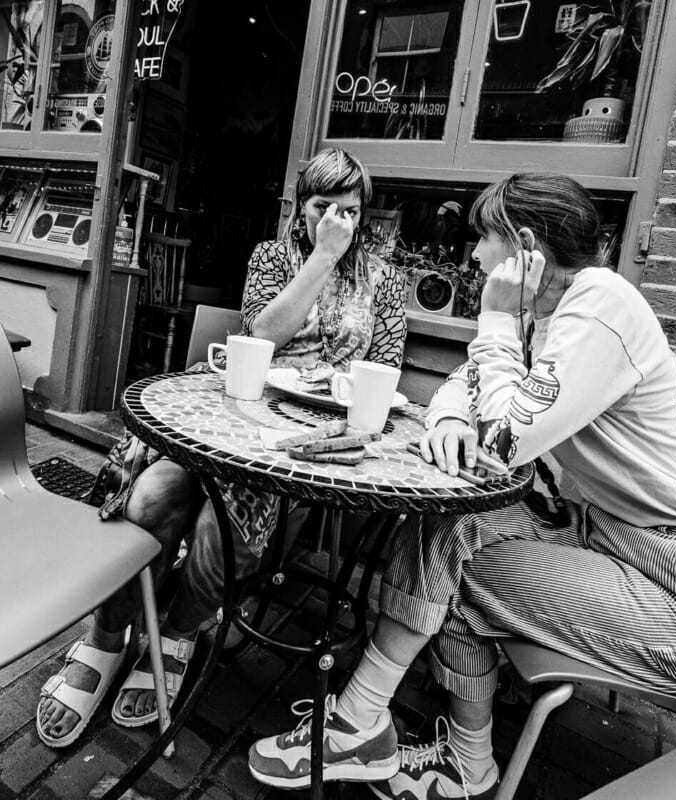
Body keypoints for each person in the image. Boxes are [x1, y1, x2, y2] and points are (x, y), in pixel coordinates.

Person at [247, 173, 676, 799]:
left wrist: (492, 321)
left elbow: (504, 441)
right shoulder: (547, 316)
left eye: (483, 240)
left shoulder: (602, 306)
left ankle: (378, 731)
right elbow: (464, 384)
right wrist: (450, 419)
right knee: (451, 523)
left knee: (458, 566)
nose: (473, 257)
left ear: (523, 248)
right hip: (609, 539)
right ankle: (405, 739)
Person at [37, 148, 407, 748]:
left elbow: (384, 371)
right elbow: (262, 336)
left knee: (220, 533)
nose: (337, 221)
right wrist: (322, 259)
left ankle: (177, 633)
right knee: (150, 498)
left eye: (350, 211)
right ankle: (107, 637)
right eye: (323, 207)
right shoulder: (272, 258)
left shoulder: (385, 281)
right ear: (301, 207)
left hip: (301, 445)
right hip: (231, 417)